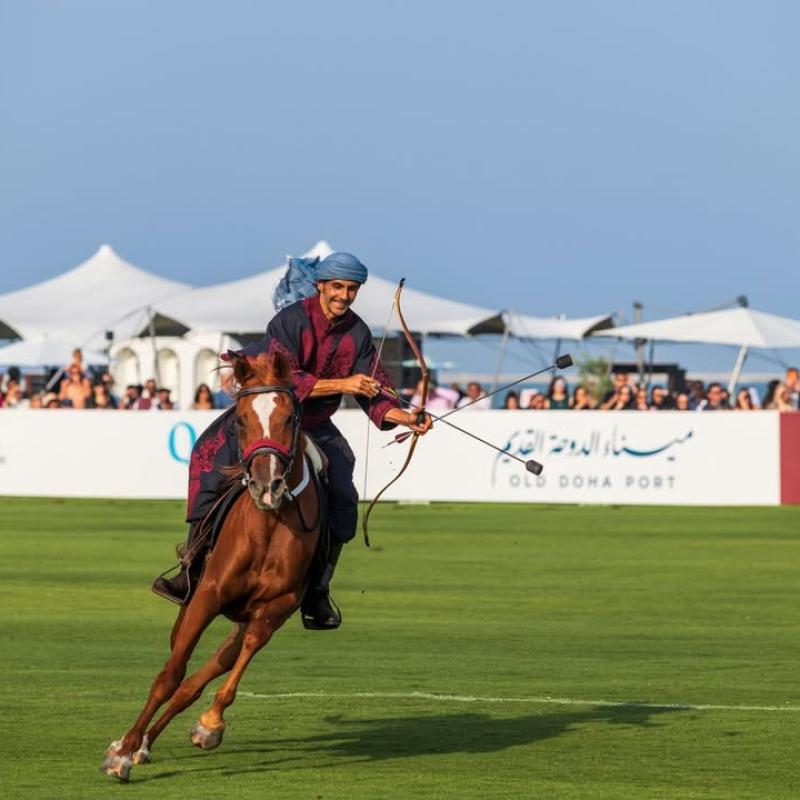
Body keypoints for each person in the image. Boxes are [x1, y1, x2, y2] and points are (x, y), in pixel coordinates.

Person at [152, 252, 432, 630]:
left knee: (344, 490)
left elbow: (374, 389)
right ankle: (191, 567)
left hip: (313, 424)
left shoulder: (358, 334)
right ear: (321, 285)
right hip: (269, 416)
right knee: (206, 452)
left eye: (352, 289)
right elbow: (282, 380)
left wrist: (408, 416)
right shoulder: (290, 320)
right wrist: (342, 384)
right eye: (338, 287)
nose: (344, 295)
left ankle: (317, 589)